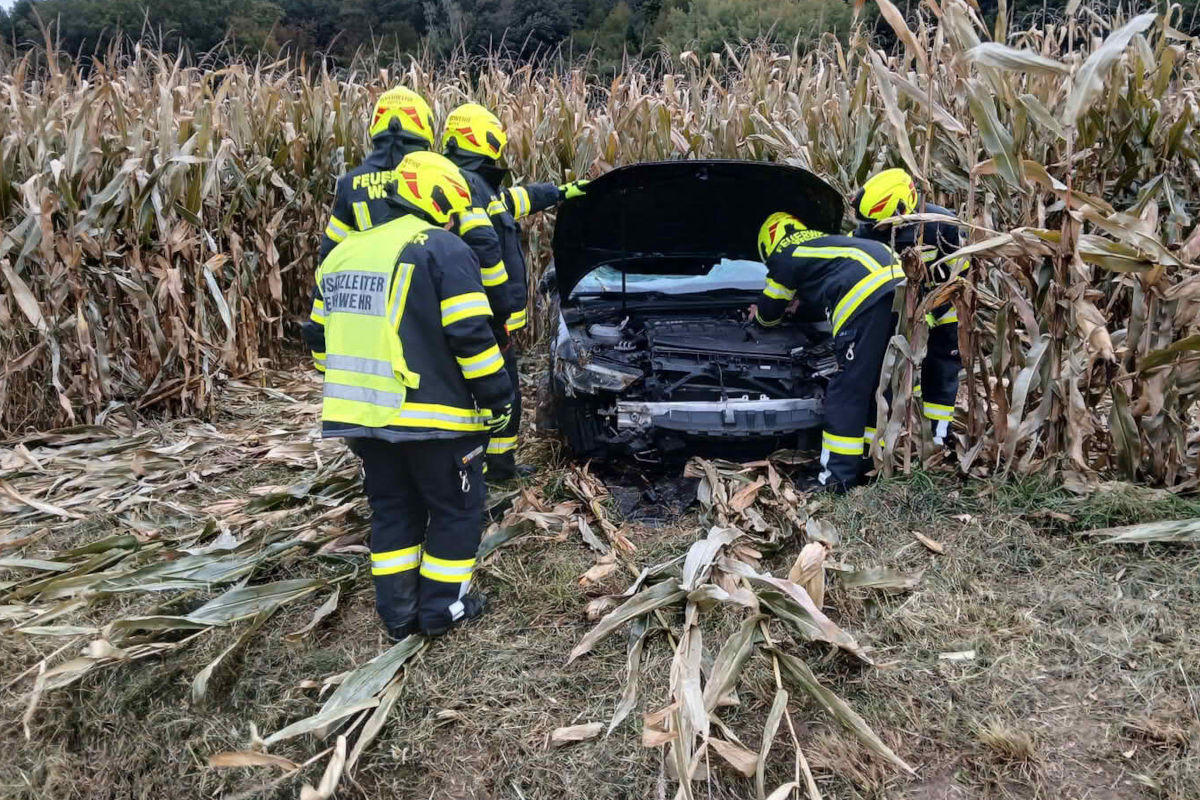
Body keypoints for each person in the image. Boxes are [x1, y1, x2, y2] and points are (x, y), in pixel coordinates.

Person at [303, 152, 514, 639]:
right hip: (433, 419)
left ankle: (398, 617)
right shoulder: (441, 248)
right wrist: (498, 398)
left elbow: (317, 338)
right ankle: (443, 611)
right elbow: (471, 337)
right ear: (438, 199)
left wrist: (348, 391)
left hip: (359, 418)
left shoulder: (344, 253)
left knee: (393, 509)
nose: (453, 217)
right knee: (455, 511)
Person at [441, 102, 588, 480]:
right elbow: (486, 249)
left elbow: (513, 202)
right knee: (499, 394)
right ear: (484, 138)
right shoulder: (468, 185)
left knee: (494, 391)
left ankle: (495, 464)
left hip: (479, 318)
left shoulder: (468, 184)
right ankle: (495, 469)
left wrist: (558, 192)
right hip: (485, 321)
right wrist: (500, 311)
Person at [319, 87, 511, 338]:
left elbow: (329, 258)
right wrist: (498, 314)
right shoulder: (447, 176)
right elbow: (484, 245)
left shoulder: (351, 185)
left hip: (370, 317)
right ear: (425, 129)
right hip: (432, 310)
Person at [751, 212, 904, 491]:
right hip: (896, 286)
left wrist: (758, 316)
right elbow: (825, 282)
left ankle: (835, 480)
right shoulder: (819, 245)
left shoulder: (786, 252)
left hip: (866, 290)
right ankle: (870, 465)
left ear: (768, 245)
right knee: (877, 386)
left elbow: (769, 312)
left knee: (847, 389)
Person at [850, 168, 968, 448]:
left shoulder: (942, 225)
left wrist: (930, 310)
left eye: (882, 225)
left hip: (941, 311)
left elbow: (959, 275)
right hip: (895, 313)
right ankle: (878, 446)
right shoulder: (864, 230)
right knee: (885, 376)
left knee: (940, 374)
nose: (876, 230)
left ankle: (936, 439)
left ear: (904, 207)